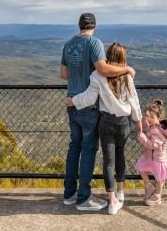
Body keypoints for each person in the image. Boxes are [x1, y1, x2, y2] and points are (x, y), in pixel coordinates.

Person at [61, 13, 136, 211]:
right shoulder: (94, 43)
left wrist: (79, 76)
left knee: (73, 148)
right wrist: (126, 69)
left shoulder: (68, 44)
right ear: (94, 25)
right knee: (88, 150)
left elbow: (63, 73)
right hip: (88, 107)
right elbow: (103, 69)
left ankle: (69, 194)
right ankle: (83, 198)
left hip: (72, 102)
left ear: (78, 25)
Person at [135, 99, 167, 205]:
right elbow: (148, 126)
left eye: (152, 117)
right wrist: (142, 119)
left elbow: (152, 145)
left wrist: (141, 135)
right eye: (148, 116)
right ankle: (148, 187)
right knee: (140, 167)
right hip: (149, 157)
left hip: (158, 158)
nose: (149, 119)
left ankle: (157, 196)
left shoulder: (159, 131)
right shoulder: (153, 126)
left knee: (159, 178)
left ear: (159, 118)